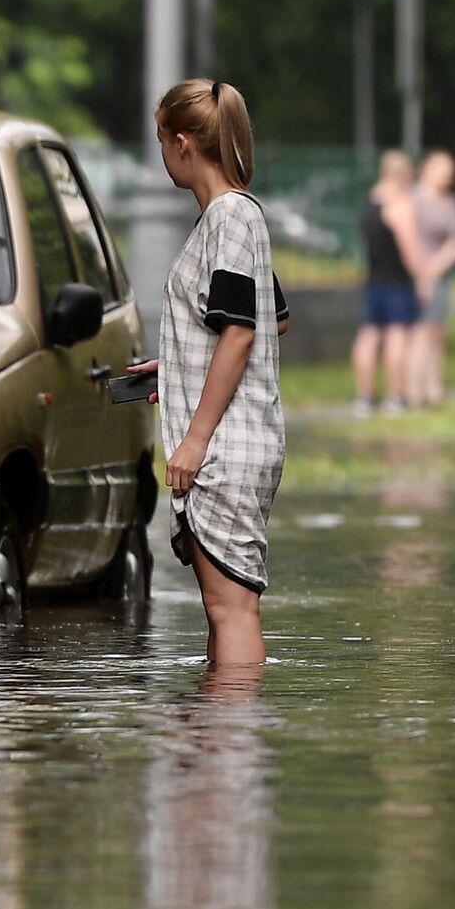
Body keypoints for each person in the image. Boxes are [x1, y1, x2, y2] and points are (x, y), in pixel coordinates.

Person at [124, 79, 283, 667]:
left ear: (184, 143)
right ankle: (217, 740)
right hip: (228, 440)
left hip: (225, 445)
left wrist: (193, 441)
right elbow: (269, 320)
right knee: (222, 609)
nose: (162, 154)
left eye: (162, 140)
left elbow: (242, 331)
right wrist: (179, 365)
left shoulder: (231, 218)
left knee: (231, 609)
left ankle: (234, 740)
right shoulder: (226, 221)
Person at [350, 150, 429, 416]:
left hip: (374, 280)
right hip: (397, 282)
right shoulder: (400, 205)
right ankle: (396, 397)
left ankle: (365, 397)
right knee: (397, 335)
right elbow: (410, 249)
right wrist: (422, 278)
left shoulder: (371, 201)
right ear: (402, 174)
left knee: (370, 334)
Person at [408, 150, 455, 408]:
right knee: (418, 333)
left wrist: (434, 268)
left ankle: (433, 388)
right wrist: (422, 271)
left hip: (439, 275)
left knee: (437, 332)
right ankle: (413, 390)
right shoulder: (413, 199)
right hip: (412, 275)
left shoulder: (451, 203)